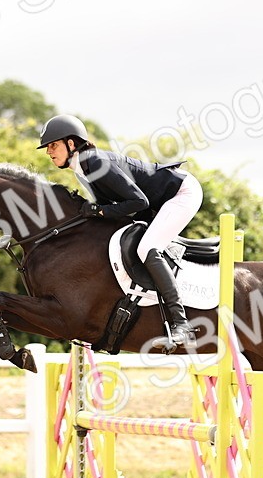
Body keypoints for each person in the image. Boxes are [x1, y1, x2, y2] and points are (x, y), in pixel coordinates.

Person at [37, 114, 201, 348]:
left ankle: (182, 325)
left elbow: (139, 202)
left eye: (53, 145)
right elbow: (114, 206)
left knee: (146, 248)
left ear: (71, 143)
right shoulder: (82, 168)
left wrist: (99, 211)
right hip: (158, 201)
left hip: (181, 193)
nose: (48, 151)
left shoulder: (95, 162)